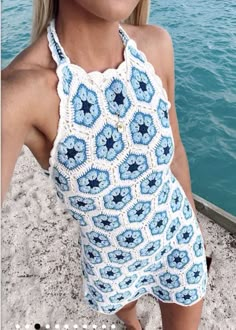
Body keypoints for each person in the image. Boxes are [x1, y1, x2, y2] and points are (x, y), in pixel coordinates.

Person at [1, 1, 210, 329]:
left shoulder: (156, 46)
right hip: (113, 260)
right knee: (125, 308)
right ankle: (132, 322)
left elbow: (177, 153)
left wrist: (194, 229)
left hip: (178, 237)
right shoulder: (21, 95)